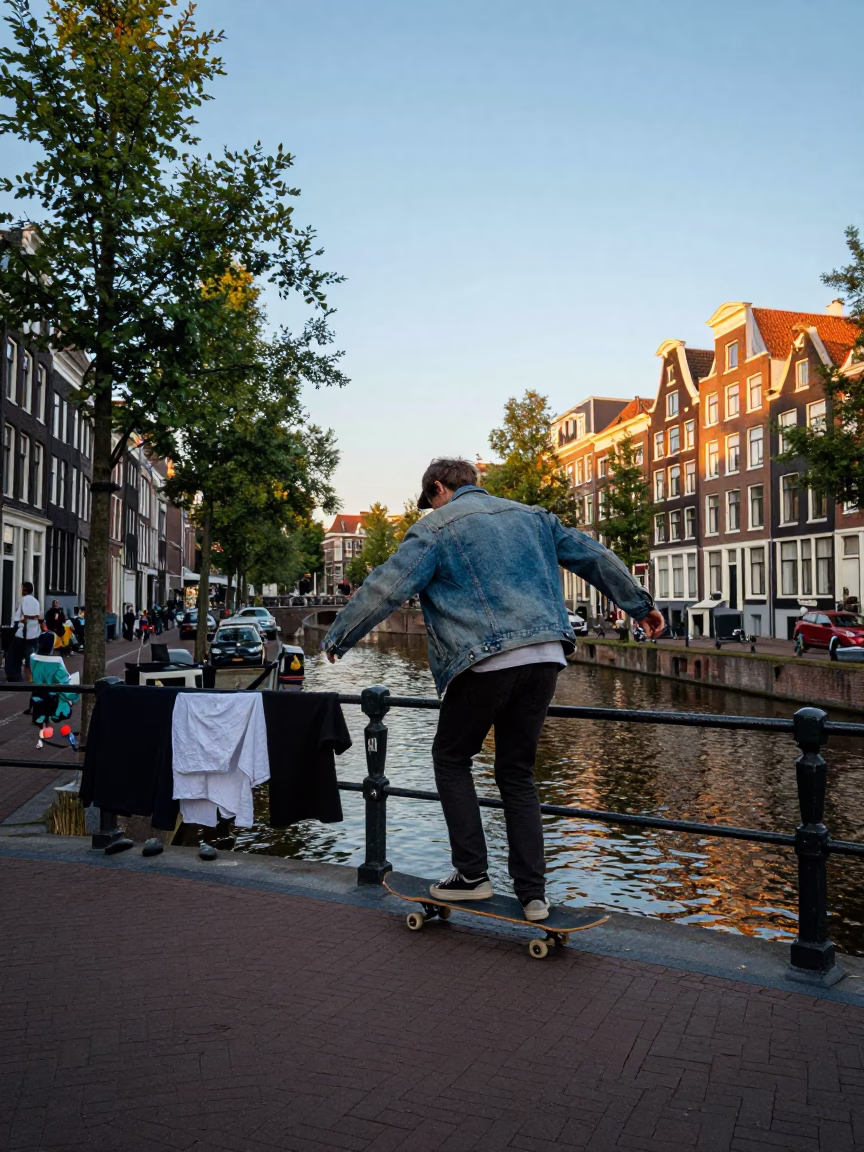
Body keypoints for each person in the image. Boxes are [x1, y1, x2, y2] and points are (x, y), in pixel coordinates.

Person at [323, 458, 665, 922]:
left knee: (450, 757)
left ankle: (471, 876)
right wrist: (639, 604)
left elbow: (389, 586)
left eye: (430, 501)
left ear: (439, 489)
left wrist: (339, 635)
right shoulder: (534, 517)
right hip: (546, 656)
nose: (430, 508)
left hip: (484, 660)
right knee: (517, 773)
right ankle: (533, 895)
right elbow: (592, 555)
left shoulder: (437, 528)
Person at [7, 581, 43, 684]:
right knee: (31, 656)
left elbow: (17, 617)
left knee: (13, 655)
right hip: (34, 633)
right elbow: (39, 616)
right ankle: (32, 677)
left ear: (24, 589)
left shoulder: (22, 601)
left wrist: (13, 626)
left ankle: (14, 677)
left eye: (22, 588)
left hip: (22, 633)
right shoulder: (36, 601)